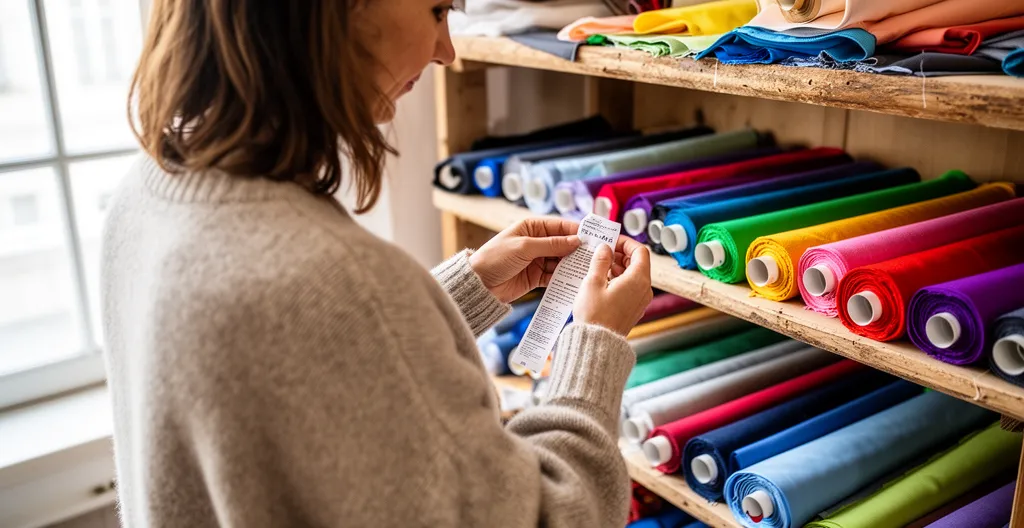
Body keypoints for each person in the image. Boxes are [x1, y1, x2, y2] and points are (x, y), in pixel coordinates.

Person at [102, 1, 652, 526]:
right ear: (337, 12)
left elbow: (305, 366)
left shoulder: (144, 195)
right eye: (436, 11)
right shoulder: (339, 284)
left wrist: (464, 290)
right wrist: (595, 344)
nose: (447, 51)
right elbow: (552, 518)